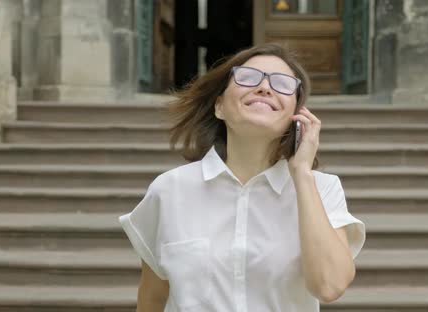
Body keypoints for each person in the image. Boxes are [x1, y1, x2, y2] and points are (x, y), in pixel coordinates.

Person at [118, 43, 366, 312]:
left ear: (296, 116)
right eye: (247, 78)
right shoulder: (170, 190)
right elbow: (153, 298)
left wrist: (302, 174)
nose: (264, 87)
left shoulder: (322, 188)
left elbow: (329, 286)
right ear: (219, 106)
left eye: (283, 84)